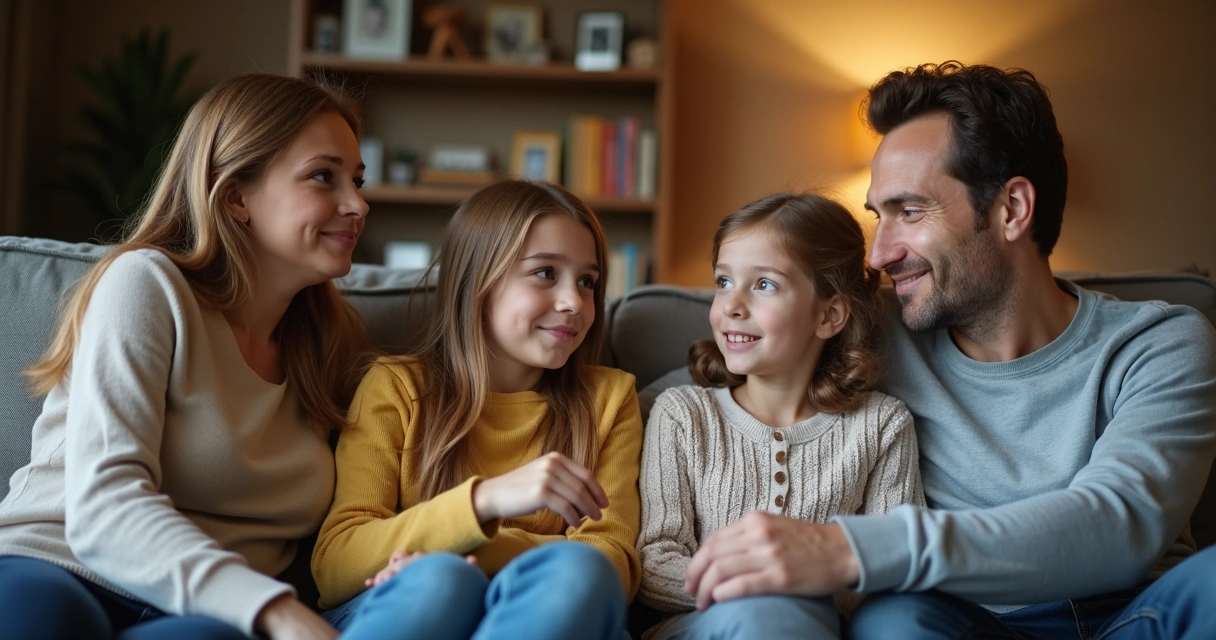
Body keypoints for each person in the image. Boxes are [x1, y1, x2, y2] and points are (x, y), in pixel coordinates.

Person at [680, 61, 1216, 639]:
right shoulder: (868, 326)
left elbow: (1120, 524)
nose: (880, 254)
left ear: (1011, 208)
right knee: (895, 619)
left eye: (909, 212)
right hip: (957, 625)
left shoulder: (1158, 345)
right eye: (877, 217)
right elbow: (719, 380)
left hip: (1135, 620)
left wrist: (849, 548)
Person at [0, 73, 371, 639]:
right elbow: (103, 506)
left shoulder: (333, 343)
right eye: (324, 176)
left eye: (358, 180)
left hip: (205, 617)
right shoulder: (147, 284)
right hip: (61, 564)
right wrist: (274, 610)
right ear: (235, 197)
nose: (358, 204)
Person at [311, 179, 642, 640]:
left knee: (577, 570)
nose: (574, 303)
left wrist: (470, 548)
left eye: (587, 282)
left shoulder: (609, 399)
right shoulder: (397, 387)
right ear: (477, 280)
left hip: (554, 609)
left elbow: (610, 561)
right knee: (441, 584)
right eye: (545, 272)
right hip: (409, 605)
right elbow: (336, 562)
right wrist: (486, 501)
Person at [635, 193, 925, 639]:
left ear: (828, 315)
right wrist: (761, 588)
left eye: (764, 284)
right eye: (724, 282)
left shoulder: (882, 426)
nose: (732, 305)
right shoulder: (683, 415)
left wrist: (807, 583)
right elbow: (655, 562)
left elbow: (895, 562)